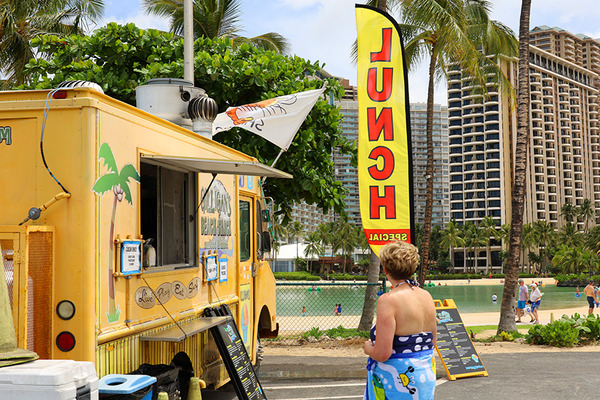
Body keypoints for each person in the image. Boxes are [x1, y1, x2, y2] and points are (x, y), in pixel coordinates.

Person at [363, 241, 436, 399]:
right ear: (413, 267)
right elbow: (432, 341)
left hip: (396, 378)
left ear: (385, 269)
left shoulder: (388, 300)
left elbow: (383, 353)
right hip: (425, 373)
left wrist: (367, 347)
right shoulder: (426, 296)